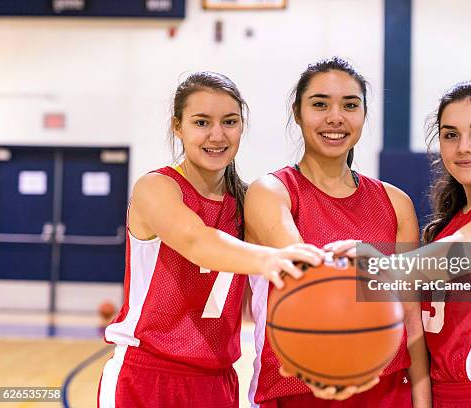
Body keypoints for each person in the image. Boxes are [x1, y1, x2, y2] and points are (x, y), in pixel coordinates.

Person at [97, 71, 324, 408]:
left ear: (241, 127)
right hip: (146, 376)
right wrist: (270, 258)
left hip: (217, 382)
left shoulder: (249, 202)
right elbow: (197, 242)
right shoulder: (157, 188)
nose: (217, 135)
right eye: (201, 122)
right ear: (178, 127)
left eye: (229, 122)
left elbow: (254, 300)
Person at [329, 79, 471, 407]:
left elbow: (460, 254)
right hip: (446, 395)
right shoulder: (452, 221)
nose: (463, 146)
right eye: (451, 135)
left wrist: (373, 262)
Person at [244, 57, 431, 407]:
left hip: (386, 388)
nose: (335, 118)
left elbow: (412, 320)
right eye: (319, 104)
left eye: (350, 105)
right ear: (297, 113)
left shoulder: (395, 202)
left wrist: (422, 401)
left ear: (363, 115)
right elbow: (305, 277)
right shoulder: (271, 191)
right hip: (297, 388)